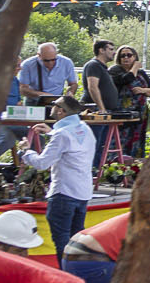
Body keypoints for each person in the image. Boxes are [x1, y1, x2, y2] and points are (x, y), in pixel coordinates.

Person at [19, 95, 95, 266]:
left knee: (62, 241)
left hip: (63, 192)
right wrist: (51, 132)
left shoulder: (62, 134)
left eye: (54, 104)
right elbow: (72, 143)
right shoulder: (85, 129)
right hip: (82, 193)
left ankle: (66, 273)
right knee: (76, 240)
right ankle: (77, 273)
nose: (52, 106)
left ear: (61, 111)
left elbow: (42, 163)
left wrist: (26, 151)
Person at [81, 39, 120, 172]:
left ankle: (98, 172)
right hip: (96, 111)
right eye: (111, 49)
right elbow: (92, 87)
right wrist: (102, 108)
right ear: (101, 50)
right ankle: (90, 171)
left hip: (105, 111)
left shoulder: (103, 67)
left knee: (101, 145)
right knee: (94, 143)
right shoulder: (94, 65)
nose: (114, 52)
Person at [110, 46, 150, 160]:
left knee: (137, 141)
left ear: (135, 57)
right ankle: (116, 165)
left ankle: (134, 165)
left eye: (129, 55)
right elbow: (127, 79)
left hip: (140, 113)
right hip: (122, 113)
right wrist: (135, 67)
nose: (126, 58)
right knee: (120, 141)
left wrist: (142, 90)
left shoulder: (141, 73)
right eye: (122, 56)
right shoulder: (115, 71)